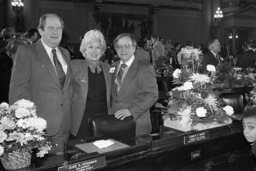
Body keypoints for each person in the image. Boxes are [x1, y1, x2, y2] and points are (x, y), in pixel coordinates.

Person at [9, 13, 72, 154]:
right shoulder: (27, 52)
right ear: (41, 30)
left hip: (64, 126)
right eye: (51, 28)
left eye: (59, 28)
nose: (55, 32)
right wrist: (25, 125)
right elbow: (18, 90)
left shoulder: (65, 53)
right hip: (39, 129)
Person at [111, 33, 158, 136]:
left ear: (134, 47)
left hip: (137, 124)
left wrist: (131, 111)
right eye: (119, 46)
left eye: (127, 46)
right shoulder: (113, 67)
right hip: (114, 123)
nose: (123, 50)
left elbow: (152, 95)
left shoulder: (145, 68)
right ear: (115, 49)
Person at [70, 29, 111, 139]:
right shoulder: (74, 66)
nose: (94, 51)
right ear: (84, 50)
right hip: (80, 121)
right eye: (90, 47)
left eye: (98, 47)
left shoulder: (108, 69)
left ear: (102, 51)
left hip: (103, 120)